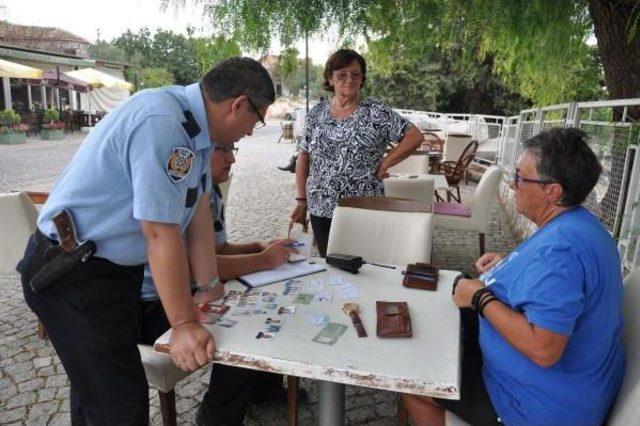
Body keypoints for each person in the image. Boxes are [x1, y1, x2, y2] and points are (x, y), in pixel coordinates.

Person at [16, 57, 275, 425]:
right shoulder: (165, 123)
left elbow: (197, 212)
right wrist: (184, 325)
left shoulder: (196, 133)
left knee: (99, 398)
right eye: (257, 120)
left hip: (113, 276)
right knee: (118, 407)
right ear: (239, 105)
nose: (250, 132)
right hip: (72, 274)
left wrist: (208, 286)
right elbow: (159, 232)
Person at [402, 128, 626, 426]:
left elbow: (544, 349)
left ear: (553, 191)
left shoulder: (561, 252)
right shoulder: (582, 226)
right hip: (568, 390)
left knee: (411, 380)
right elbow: (555, 282)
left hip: (529, 405)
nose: (511, 183)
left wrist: (478, 297)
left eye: (520, 177)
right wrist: (511, 264)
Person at [137, 141, 299, 425]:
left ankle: (263, 388)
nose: (232, 159)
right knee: (242, 328)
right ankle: (217, 417)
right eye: (222, 150)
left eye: (232, 149)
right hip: (152, 305)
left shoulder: (209, 189)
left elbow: (219, 252)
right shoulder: (179, 189)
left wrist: (260, 246)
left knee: (262, 310)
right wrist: (264, 260)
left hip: (187, 295)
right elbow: (194, 268)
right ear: (200, 155)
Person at [290, 49, 424, 256]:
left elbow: (414, 136)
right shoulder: (316, 114)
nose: (349, 80)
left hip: (364, 205)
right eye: (341, 75)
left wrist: (386, 162)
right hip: (321, 205)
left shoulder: (377, 112)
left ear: (362, 78)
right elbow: (303, 158)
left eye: (355, 74)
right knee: (330, 264)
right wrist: (301, 200)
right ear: (330, 79)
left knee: (365, 265)